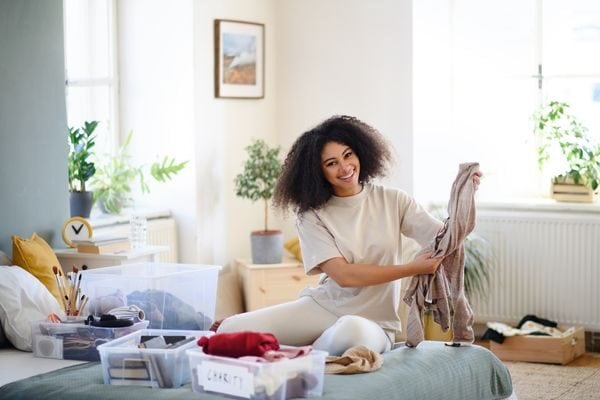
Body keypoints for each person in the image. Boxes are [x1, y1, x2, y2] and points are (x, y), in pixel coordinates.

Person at [217, 115, 480, 356]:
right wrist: (411, 268)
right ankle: (305, 346)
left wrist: (465, 197)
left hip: (374, 322)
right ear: (318, 172)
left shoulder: (393, 200)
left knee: (349, 334)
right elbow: (344, 276)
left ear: (361, 152)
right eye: (332, 163)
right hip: (325, 307)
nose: (344, 167)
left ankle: (301, 351)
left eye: (348, 155)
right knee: (229, 329)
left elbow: (445, 240)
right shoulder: (311, 215)